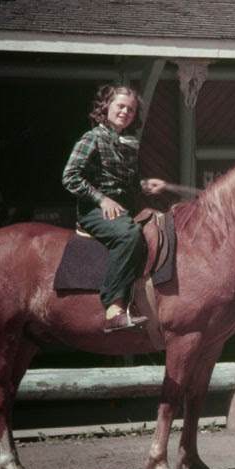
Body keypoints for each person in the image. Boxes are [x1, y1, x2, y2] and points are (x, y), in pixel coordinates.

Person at [62, 85, 167, 333]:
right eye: (120, 106)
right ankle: (113, 308)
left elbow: (128, 184)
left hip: (122, 209)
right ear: (106, 107)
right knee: (129, 235)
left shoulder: (129, 144)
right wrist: (102, 200)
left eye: (131, 109)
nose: (125, 112)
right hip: (94, 210)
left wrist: (145, 186)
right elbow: (70, 176)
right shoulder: (92, 138)